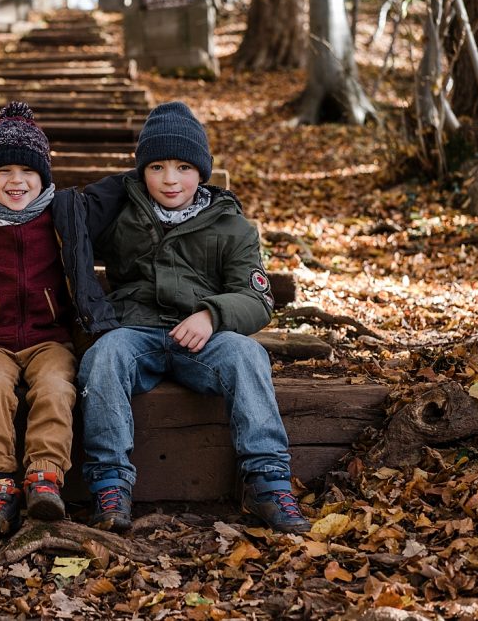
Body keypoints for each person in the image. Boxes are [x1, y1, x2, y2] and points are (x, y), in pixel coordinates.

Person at [78, 101, 311, 535]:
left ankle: (267, 483)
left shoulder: (230, 225)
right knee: (104, 356)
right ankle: (110, 484)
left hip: (205, 338)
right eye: (157, 167)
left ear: (202, 172)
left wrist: (211, 314)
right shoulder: (121, 213)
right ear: (140, 172)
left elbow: (257, 298)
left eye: (184, 167)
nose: (170, 179)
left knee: (247, 355)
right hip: (136, 331)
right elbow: (60, 227)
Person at [0, 101, 123, 539]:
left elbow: (123, 186)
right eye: (3, 172)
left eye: (27, 172)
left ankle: (44, 476)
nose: (16, 181)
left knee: (56, 387)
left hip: (50, 339)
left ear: (44, 177)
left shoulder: (63, 218)